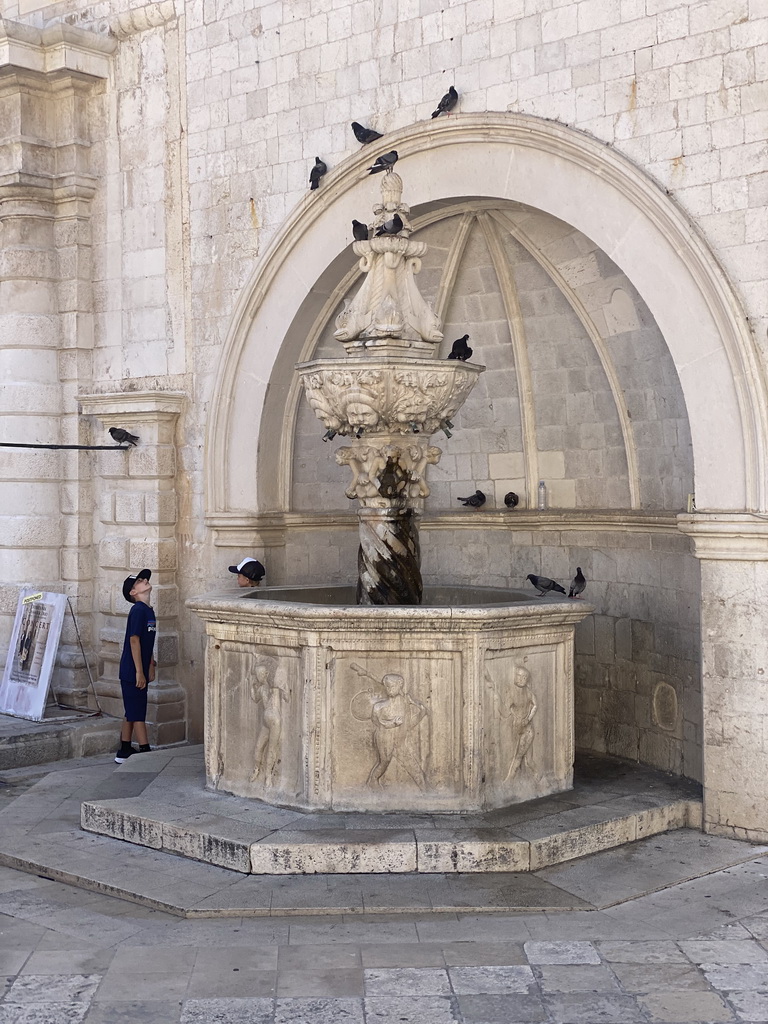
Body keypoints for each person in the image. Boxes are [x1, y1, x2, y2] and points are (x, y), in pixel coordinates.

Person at [115, 569, 156, 764]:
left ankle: (124, 749)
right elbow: (134, 640)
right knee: (138, 711)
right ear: (133, 592)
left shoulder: (148, 611)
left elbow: (149, 641)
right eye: (140, 581)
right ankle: (145, 751)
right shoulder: (138, 610)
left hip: (140, 668)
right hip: (132, 671)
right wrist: (139, 671)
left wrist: (151, 664)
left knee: (132, 709)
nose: (145, 581)